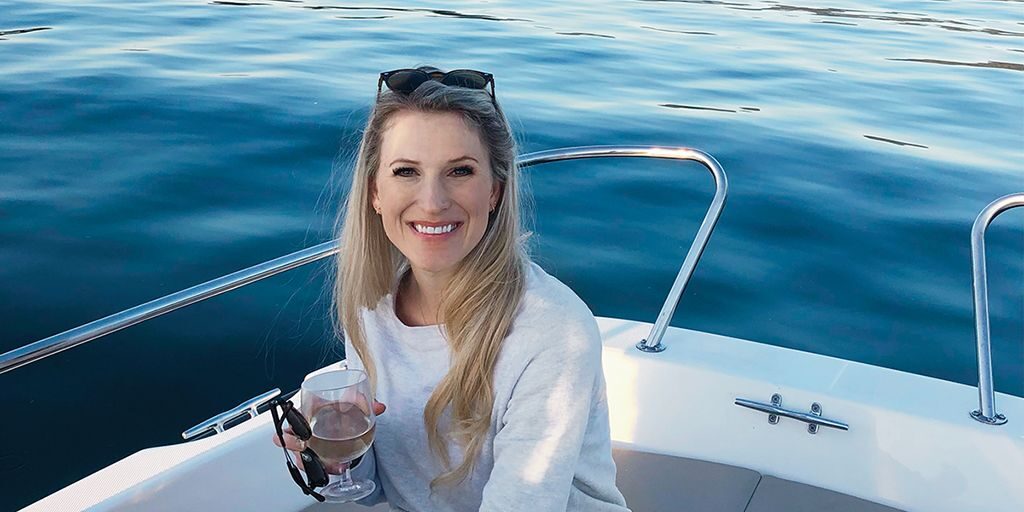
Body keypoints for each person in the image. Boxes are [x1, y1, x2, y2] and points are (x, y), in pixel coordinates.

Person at [275, 66, 629, 511]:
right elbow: (384, 488)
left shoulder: (552, 331)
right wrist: (334, 455)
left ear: (495, 190)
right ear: (375, 193)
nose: (432, 201)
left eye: (459, 171)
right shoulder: (372, 309)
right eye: (406, 172)